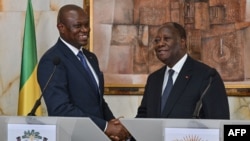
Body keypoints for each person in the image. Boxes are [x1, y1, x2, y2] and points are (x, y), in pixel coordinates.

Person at [37, 4, 130, 141]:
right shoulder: (52, 60)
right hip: (72, 137)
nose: (85, 30)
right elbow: (60, 109)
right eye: (78, 26)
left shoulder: (91, 58)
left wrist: (113, 125)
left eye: (86, 25)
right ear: (61, 28)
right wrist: (105, 126)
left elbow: (98, 100)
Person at [135, 22, 230, 119]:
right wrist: (126, 130)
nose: (160, 44)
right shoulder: (153, 79)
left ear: (182, 42)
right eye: (157, 40)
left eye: (166, 39)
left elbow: (219, 120)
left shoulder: (207, 76)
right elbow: (143, 116)